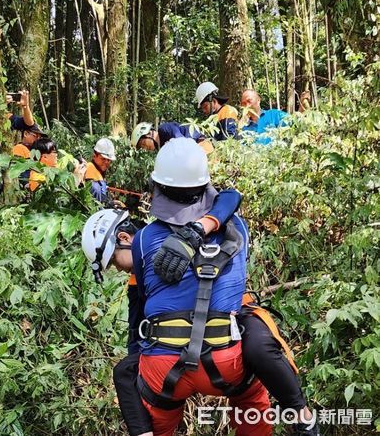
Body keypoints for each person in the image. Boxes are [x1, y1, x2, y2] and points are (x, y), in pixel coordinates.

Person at [83, 138, 319, 436]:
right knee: (251, 388)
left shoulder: (144, 241)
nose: (119, 268)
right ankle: (302, 416)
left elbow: (140, 319)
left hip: (163, 368)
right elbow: (231, 197)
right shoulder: (238, 227)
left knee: (150, 398)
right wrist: (205, 226)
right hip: (226, 360)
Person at [131, 121, 213, 154]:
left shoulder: (164, 129)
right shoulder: (163, 147)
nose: (145, 148)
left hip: (202, 144)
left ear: (148, 134)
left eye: (143, 144)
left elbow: (182, 143)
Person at [84, 137, 116, 203]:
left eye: (109, 160)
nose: (106, 162)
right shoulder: (89, 171)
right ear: (94, 155)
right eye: (103, 159)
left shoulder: (98, 172)